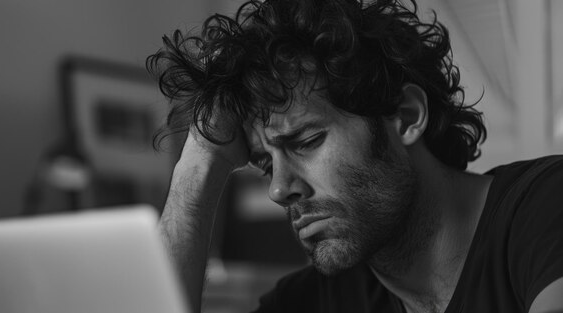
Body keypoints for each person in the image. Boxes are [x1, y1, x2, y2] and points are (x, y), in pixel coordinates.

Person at [146, 0, 563, 312]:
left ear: (405, 116)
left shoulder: (546, 208)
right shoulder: (320, 300)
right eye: (266, 163)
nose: (278, 189)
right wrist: (200, 164)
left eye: (306, 142)